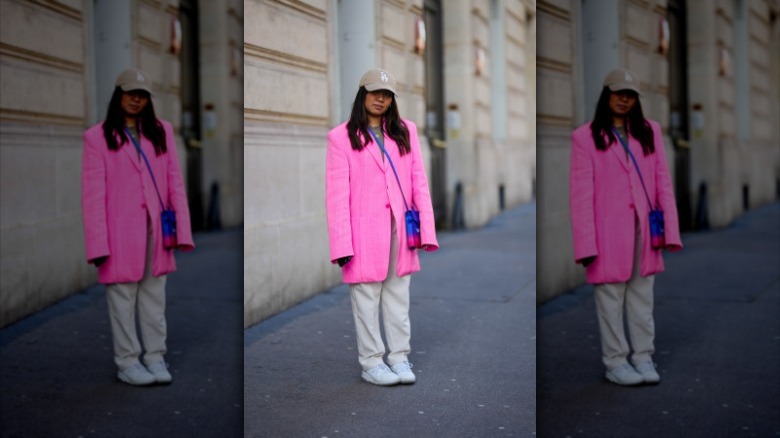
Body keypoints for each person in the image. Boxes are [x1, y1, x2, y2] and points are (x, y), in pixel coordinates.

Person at [569, 68, 682, 386]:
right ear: (607, 94)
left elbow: (663, 183)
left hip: (645, 231)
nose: (625, 99)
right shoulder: (585, 136)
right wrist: (585, 245)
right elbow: (580, 196)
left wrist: (669, 232)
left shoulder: (650, 132)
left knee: (643, 298)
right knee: (610, 298)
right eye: (619, 93)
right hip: (606, 233)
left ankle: (644, 357)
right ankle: (615, 362)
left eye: (631, 95)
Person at [326, 68, 439, 386]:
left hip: (401, 231)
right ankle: (371, 362)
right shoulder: (341, 137)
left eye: (387, 94)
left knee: (398, 296)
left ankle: (399, 357)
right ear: (363, 94)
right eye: (376, 92)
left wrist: (426, 232)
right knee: (366, 297)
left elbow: (419, 182)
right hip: (362, 233)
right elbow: (337, 196)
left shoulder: (406, 131)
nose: (381, 99)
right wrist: (341, 245)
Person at [81, 68, 194, 386]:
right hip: (118, 235)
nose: (136, 99)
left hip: (157, 232)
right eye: (131, 93)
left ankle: (155, 357)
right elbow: (92, 197)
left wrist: (181, 232)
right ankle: (127, 362)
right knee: (122, 299)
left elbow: (175, 183)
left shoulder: (162, 132)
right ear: (119, 95)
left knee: (154, 299)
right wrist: (97, 245)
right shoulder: (97, 137)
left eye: (143, 95)